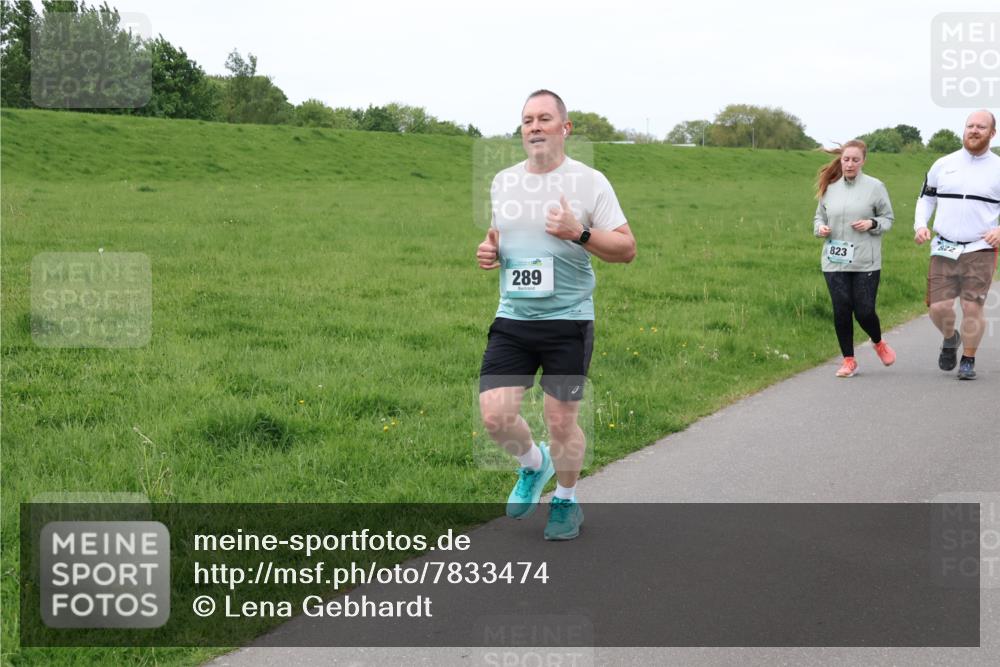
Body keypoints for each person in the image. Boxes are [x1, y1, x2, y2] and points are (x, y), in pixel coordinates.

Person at [475, 89, 636, 540]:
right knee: (494, 416)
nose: (535, 126)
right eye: (528, 119)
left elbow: (627, 249)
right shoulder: (503, 181)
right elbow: (506, 242)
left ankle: (566, 500)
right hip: (514, 318)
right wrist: (491, 252)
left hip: (568, 320)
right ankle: (534, 465)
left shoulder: (590, 182)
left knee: (560, 419)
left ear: (565, 128)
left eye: (545, 118)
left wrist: (579, 232)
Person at [914, 109, 1000, 380]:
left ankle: (968, 359)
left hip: (980, 247)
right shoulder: (943, 164)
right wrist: (920, 225)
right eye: (970, 126)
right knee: (938, 308)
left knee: (971, 305)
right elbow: (926, 198)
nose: (974, 130)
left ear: (992, 133)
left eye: (981, 127)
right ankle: (950, 338)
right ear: (963, 130)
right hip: (944, 246)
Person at [813, 139, 896, 377]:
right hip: (834, 260)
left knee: (864, 311)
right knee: (841, 309)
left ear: (863, 161)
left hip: (865, 261)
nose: (849, 164)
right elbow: (818, 218)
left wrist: (872, 223)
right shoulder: (830, 187)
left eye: (855, 160)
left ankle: (878, 342)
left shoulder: (875, 187)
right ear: (841, 159)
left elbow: (888, 219)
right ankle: (849, 360)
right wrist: (821, 229)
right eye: (846, 159)